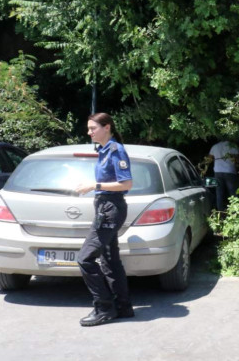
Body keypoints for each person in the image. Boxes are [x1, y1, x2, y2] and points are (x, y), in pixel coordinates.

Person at [74, 113, 134, 326]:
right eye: (89, 129)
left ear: (106, 127)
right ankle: (123, 306)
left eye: (93, 128)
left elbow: (126, 184)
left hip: (111, 208)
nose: (89, 132)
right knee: (110, 259)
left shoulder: (116, 150)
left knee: (85, 258)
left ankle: (104, 308)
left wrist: (94, 186)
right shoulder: (104, 151)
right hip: (105, 207)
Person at [208, 140, 239, 211]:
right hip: (230, 171)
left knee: (219, 193)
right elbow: (237, 160)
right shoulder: (233, 146)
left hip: (217, 172)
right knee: (232, 192)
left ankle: (220, 212)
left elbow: (209, 159)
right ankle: (236, 210)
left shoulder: (215, 146)